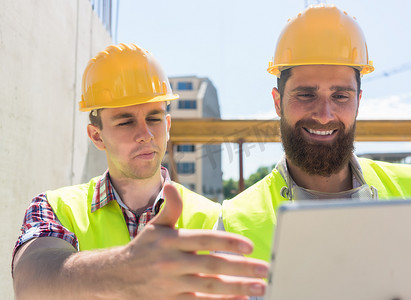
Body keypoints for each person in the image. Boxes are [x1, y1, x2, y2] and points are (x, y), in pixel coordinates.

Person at [12, 43, 268, 299]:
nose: (145, 135)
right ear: (97, 136)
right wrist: (124, 268)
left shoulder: (213, 219)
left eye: (154, 119)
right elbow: (29, 284)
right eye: (125, 122)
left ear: (167, 126)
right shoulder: (55, 207)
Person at [221, 5, 411, 263]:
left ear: (358, 101)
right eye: (305, 94)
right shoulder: (235, 222)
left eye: (340, 96)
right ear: (278, 102)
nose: (324, 115)